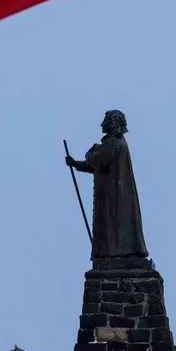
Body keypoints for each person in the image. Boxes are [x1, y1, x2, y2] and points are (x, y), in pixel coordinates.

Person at [65, 109, 149, 259]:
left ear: (113, 123)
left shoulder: (113, 142)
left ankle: (115, 252)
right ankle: (115, 251)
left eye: (105, 121)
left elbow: (95, 160)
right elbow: (97, 165)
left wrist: (91, 151)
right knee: (114, 224)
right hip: (115, 192)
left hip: (113, 194)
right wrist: (75, 163)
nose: (102, 124)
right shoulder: (118, 142)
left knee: (112, 223)